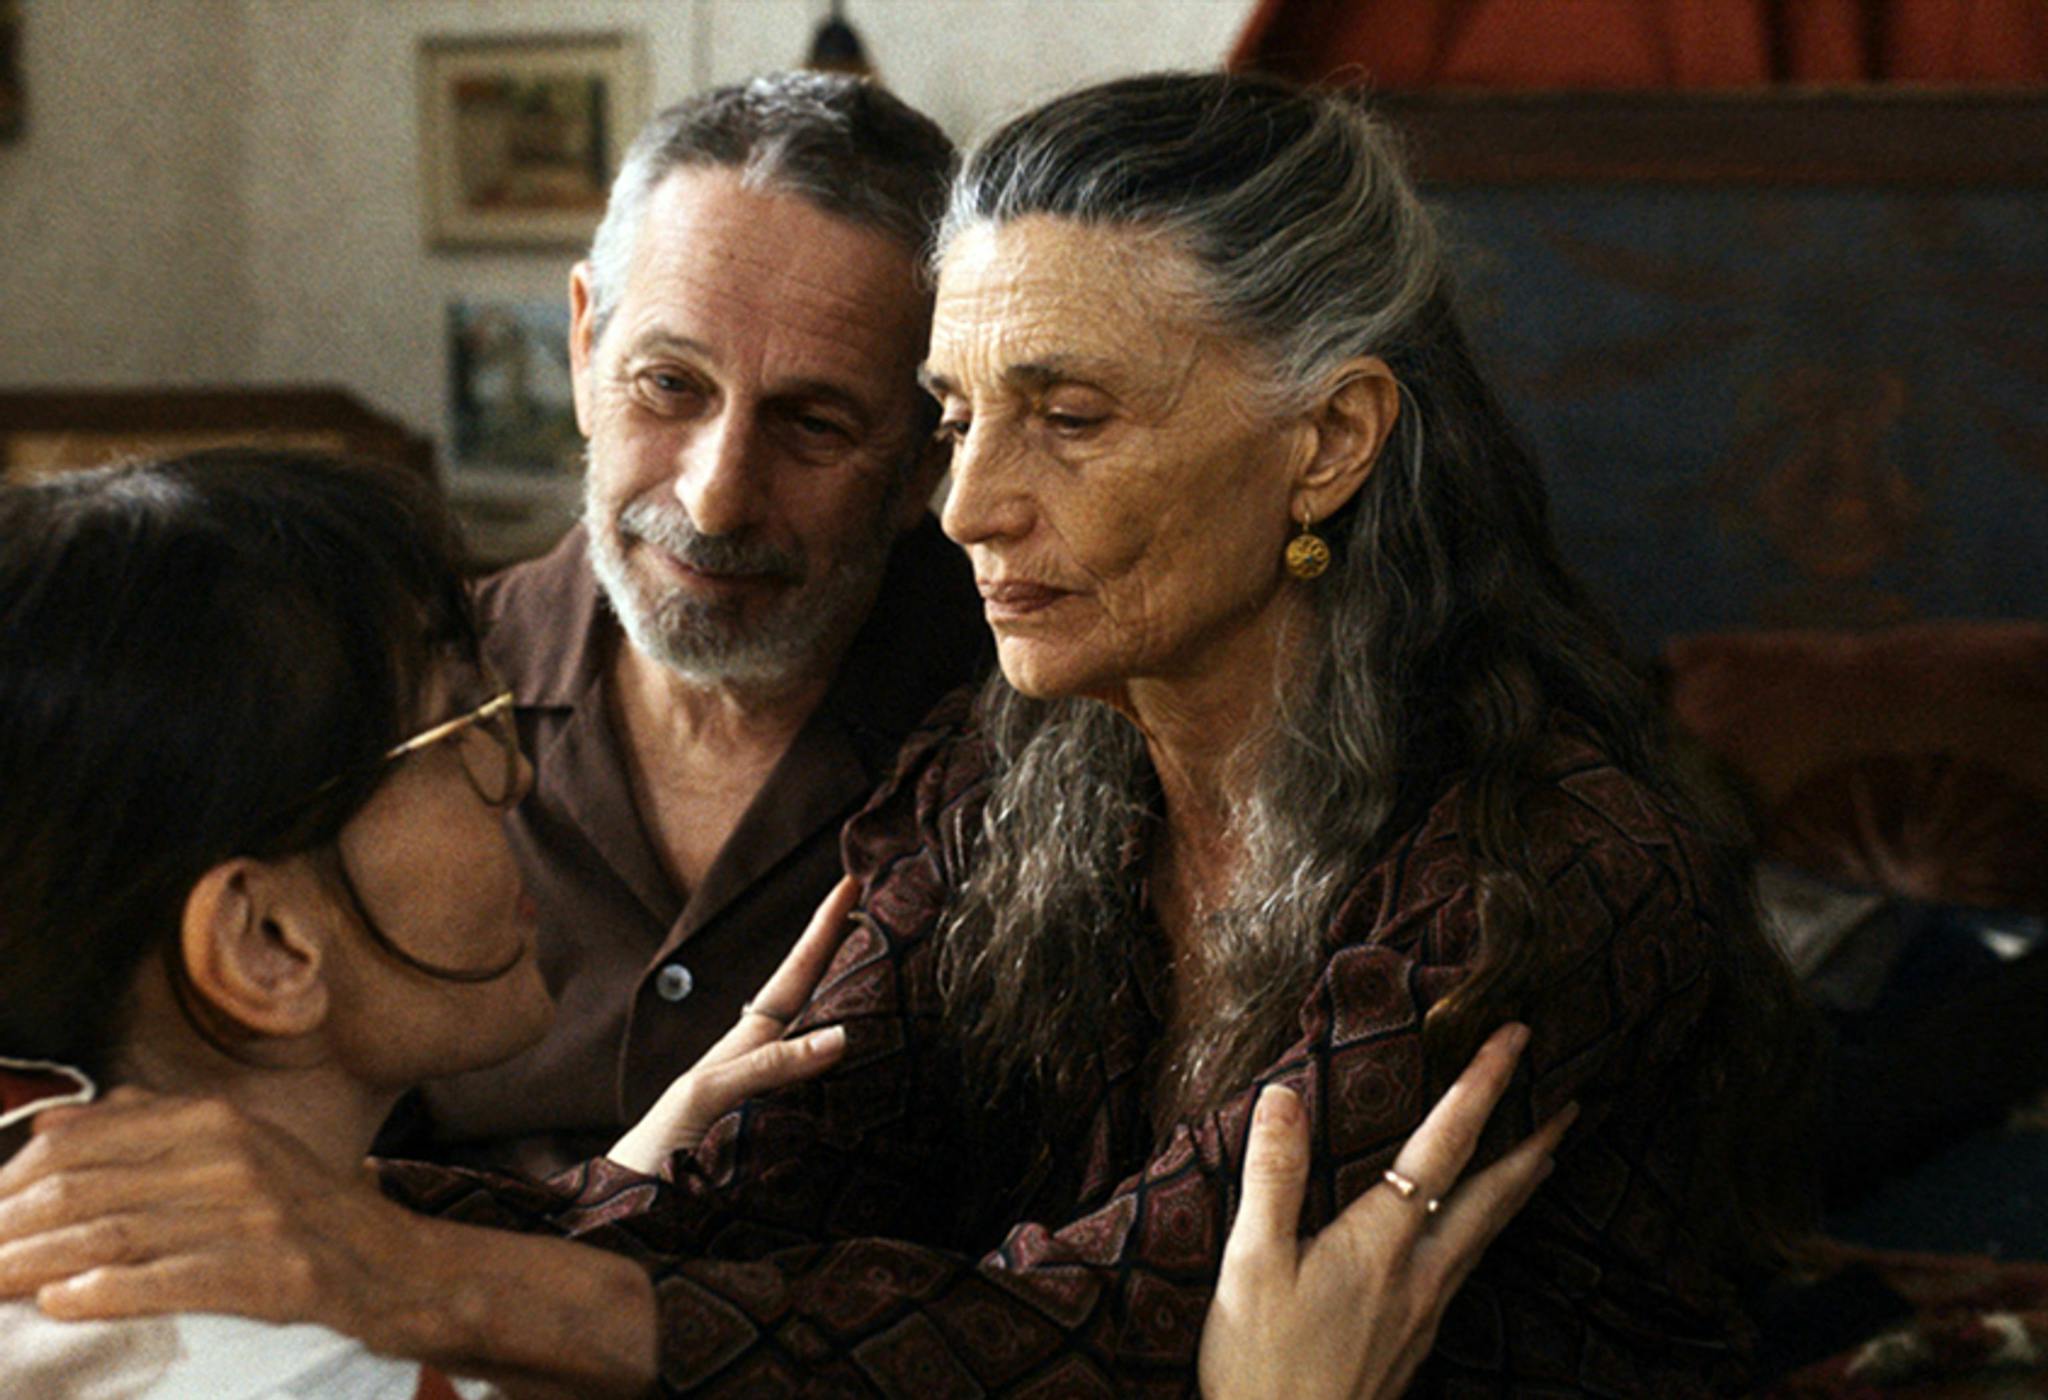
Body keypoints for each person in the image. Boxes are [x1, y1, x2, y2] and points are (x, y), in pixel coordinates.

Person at [0, 73, 1814, 1395]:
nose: (965, 508)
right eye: (953, 418)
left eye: (1070, 417)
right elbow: (753, 1210)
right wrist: (285, 1193)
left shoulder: (1542, 866)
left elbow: (1125, 1327)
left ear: (1327, 443)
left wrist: (390, 1254)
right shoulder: (1016, 756)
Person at [0, 452, 847, 1396]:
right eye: (455, 731)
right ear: (265, 942)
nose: (516, 773)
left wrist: (621, 1198)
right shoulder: (311, 1375)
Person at [385, 72, 990, 1177]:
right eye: (668, 384)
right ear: (581, 348)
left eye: (812, 423)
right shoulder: (391, 708)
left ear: (926, 455)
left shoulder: (1031, 743)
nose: (715, 498)